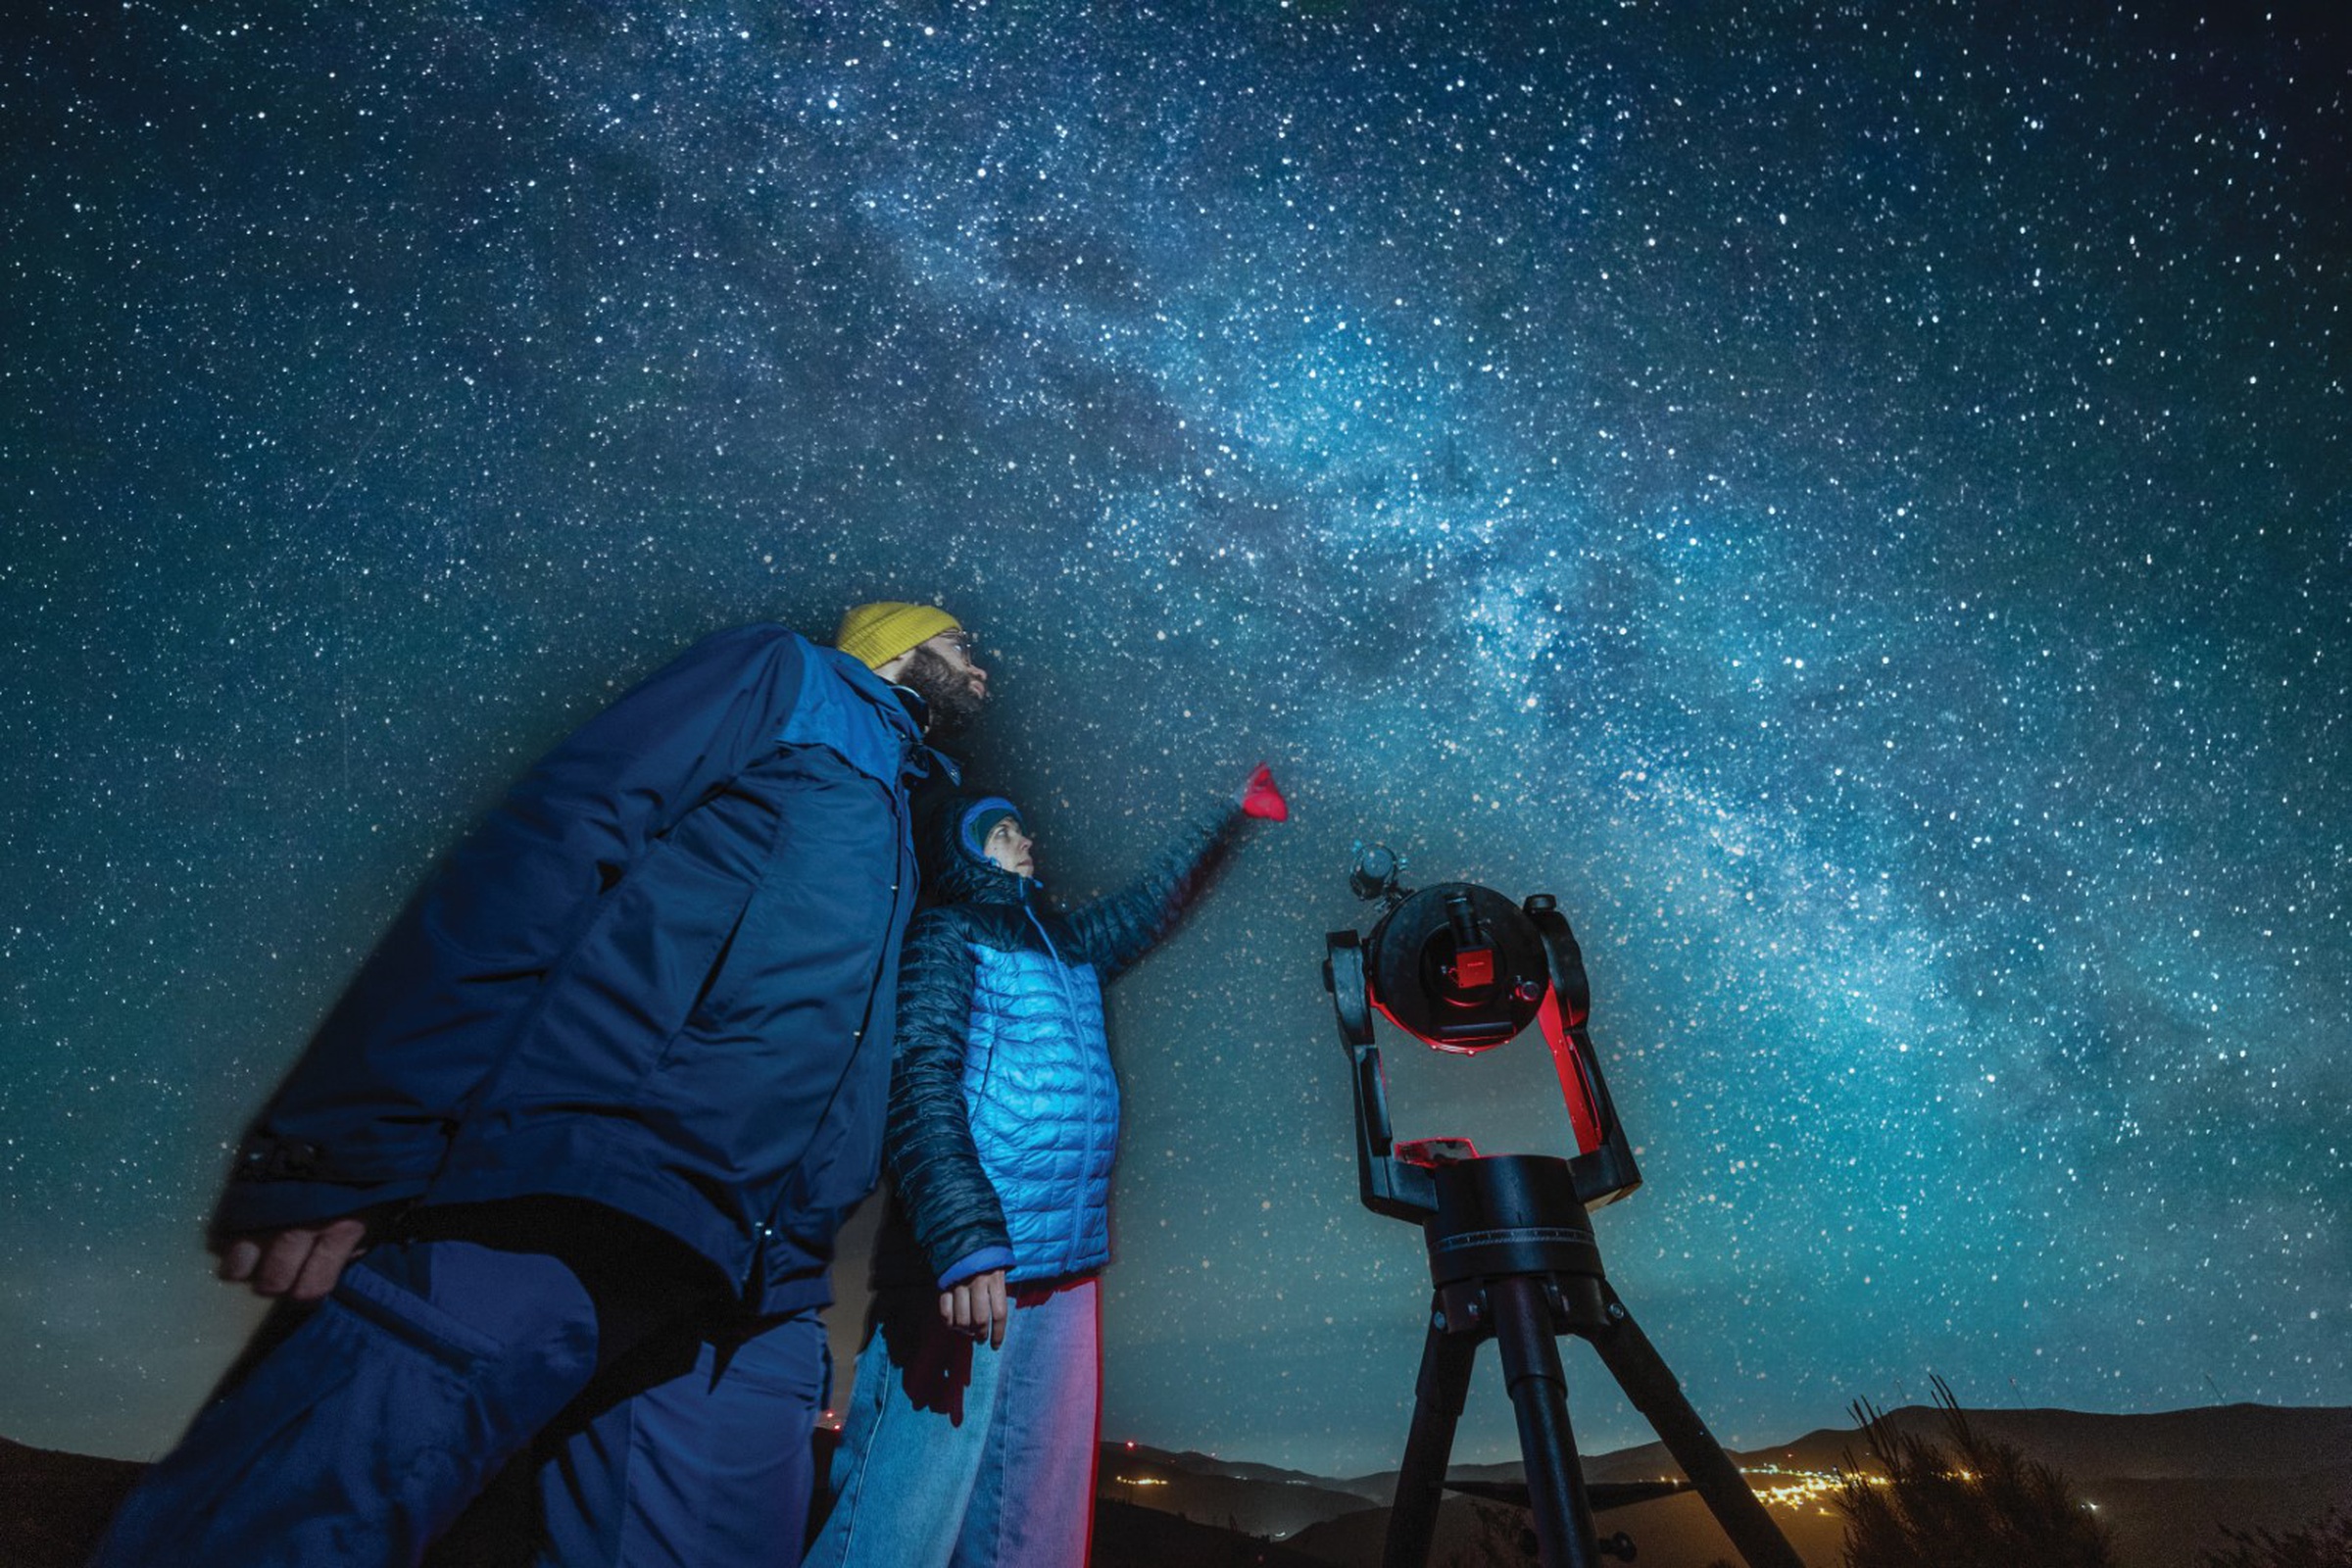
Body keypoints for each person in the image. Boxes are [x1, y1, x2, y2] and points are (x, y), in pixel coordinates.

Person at [93, 603, 990, 1568]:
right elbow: (550, 844)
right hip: (568, 1194)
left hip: (754, 1281)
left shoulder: (900, 803)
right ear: (897, 642)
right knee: (281, 1531)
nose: (982, 666)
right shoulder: (784, 677)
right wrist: (350, 1129)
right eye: (961, 644)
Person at [807, 764, 1289, 1568]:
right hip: (967, 1269)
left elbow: (1151, 906)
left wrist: (1228, 820)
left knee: (1033, 1528)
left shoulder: (1066, 945)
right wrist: (961, 1234)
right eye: (1003, 832)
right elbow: (918, 1075)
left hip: (1063, 1269)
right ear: (967, 850)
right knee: (899, 1520)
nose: (1026, 840)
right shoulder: (947, 933)